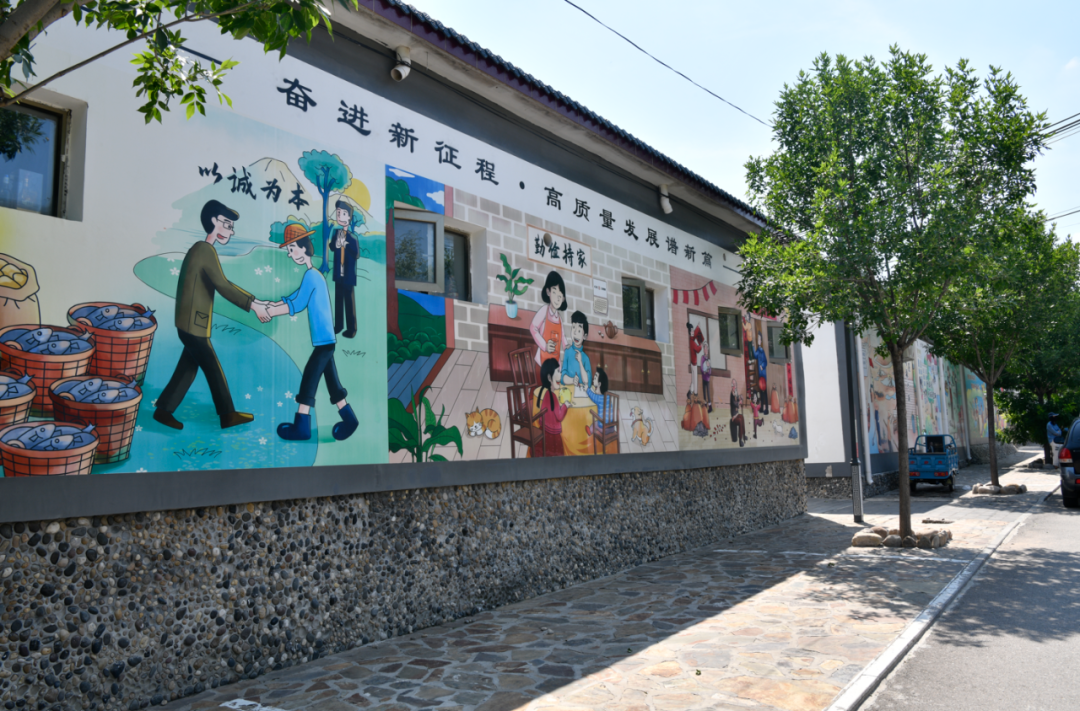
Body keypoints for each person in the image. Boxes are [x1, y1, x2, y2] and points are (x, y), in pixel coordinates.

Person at [155, 199, 268, 431]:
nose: (231, 230)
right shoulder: (204, 250)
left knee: (188, 367)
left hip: (190, 322)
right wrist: (254, 305)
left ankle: (163, 410)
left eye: (231, 226)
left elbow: (219, 284)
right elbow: (223, 285)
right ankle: (227, 415)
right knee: (212, 368)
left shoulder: (202, 249)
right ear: (214, 221)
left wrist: (255, 302)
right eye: (227, 224)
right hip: (193, 324)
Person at [258, 223, 359, 442]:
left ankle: (302, 427)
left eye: (292, 248)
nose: (290, 253)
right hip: (325, 340)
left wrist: (272, 311)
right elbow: (295, 296)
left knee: (309, 380)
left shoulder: (312, 276)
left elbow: (298, 303)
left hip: (324, 341)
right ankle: (350, 420)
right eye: (288, 249)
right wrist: (273, 304)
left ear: (304, 248)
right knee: (332, 383)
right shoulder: (312, 275)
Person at [529, 270, 569, 382]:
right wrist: (545, 346)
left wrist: (568, 349)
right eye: (554, 292)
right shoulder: (544, 310)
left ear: (563, 298)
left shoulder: (559, 318)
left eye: (560, 295)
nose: (557, 298)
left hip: (555, 366)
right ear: (548, 292)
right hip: (542, 364)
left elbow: (563, 338)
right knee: (541, 391)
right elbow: (532, 328)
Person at [330, 200, 359, 338]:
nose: (340, 216)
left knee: (349, 302)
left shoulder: (353, 238)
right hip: (338, 274)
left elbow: (356, 253)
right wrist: (336, 244)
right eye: (338, 213)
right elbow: (331, 247)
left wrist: (345, 244)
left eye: (343, 213)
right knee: (338, 301)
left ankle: (351, 329)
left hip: (348, 276)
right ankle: (338, 325)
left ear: (349, 217)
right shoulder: (336, 233)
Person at [534, 358, 567, 457]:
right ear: (549, 378)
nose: (560, 375)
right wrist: (565, 405)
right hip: (552, 435)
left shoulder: (546, 395)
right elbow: (559, 416)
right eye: (558, 371)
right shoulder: (553, 397)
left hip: (544, 431)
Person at [561, 310, 592, 387]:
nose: (575, 333)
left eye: (579, 330)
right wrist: (572, 380)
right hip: (568, 391)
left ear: (585, 336)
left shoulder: (586, 358)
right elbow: (562, 377)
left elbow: (588, 382)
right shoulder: (567, 351)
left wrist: (580, 362)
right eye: (573, 327)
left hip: (581, 393)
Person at [686, 322, 703, 402]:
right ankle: (696, 396)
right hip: (694, 364)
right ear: (690, 333)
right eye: (692, 331)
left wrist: (697, 327)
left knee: (693, 379)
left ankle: (689, 392)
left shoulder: (691, 338)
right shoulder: (692, 342)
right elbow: (697, 349)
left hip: (693, 363)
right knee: (695, 380)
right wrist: (701, 346)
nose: (693, 332)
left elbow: (695, 334)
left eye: (693, 330)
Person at [754, 331, 769, 414]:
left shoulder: (762, 351)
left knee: (764, 392)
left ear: (761, 340)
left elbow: (765, 362)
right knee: (761, 392)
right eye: (758, 339)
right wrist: (752, 347)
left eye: (760, 339)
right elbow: (755, 355)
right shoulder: (758, 350)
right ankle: (762, 408)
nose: (759, 341)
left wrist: (762, 366)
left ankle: (766, 409)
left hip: (763, 375)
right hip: (760, 375)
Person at [729, 380, 746, 447]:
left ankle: (743, 435)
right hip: (734, 415)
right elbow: (734, 403)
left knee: (742, 417)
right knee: (740, 420)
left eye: (735, 384)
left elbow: (737, 398)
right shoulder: (732, 394)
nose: (734, 386)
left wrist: (740, 397)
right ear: (732, 385)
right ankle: (740, 440)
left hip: (737, 413)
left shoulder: (735, 392)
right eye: (733, 384)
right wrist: (739, 402)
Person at [700, 342, 713, 413]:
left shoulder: (708, 359)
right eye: (705, 348)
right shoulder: (702, 358)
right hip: (703, 377)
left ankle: (710, 407)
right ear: (703, 350)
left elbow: (710, 369)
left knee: (708, 392)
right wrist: (703, 371)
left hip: (707, 378)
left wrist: (708, 372)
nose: (706, 350)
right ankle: (705, 406)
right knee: (704, 392)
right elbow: (701, 367)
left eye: (707, 348)